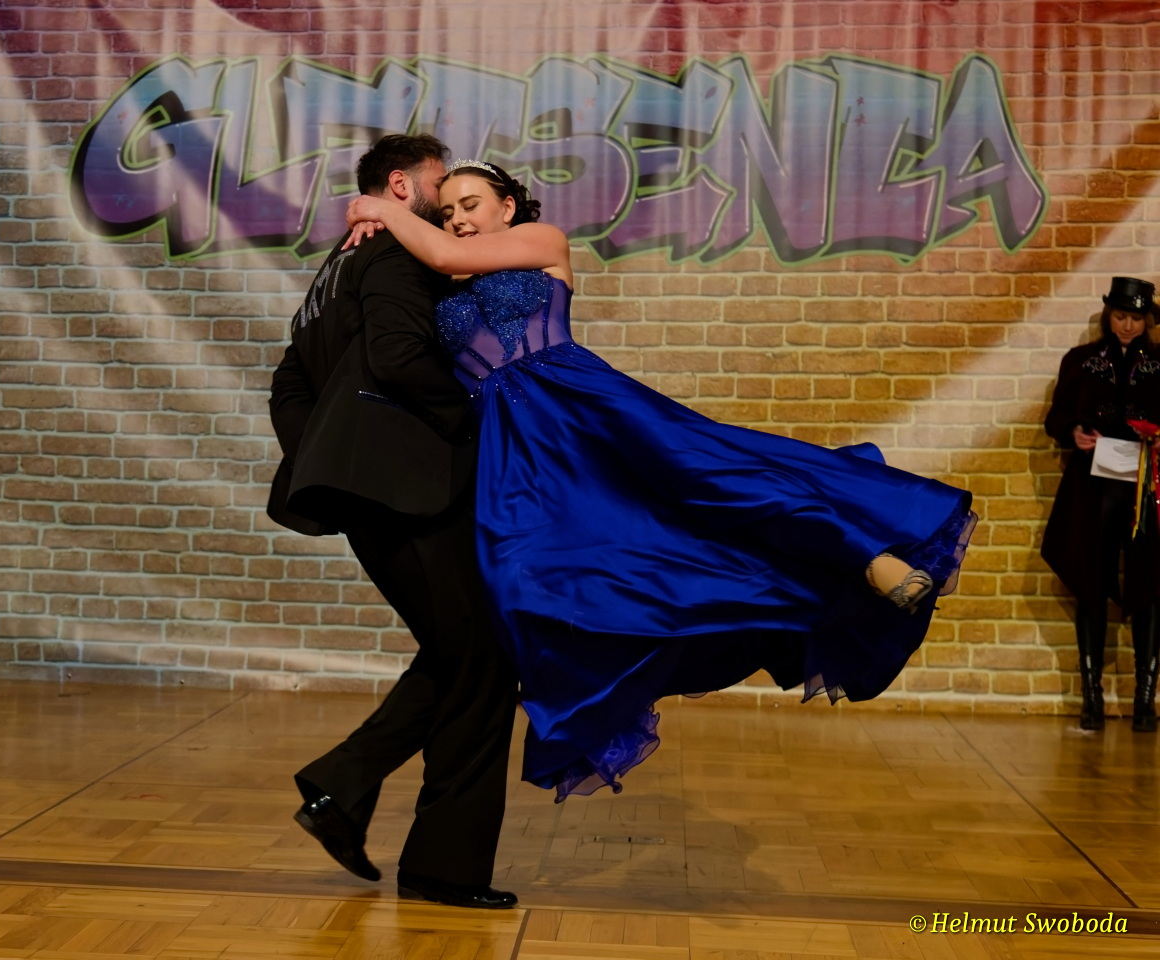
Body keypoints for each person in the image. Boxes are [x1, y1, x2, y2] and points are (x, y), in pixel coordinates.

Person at [344, 160, 976, 800]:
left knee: (715, 478)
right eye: (447, 210)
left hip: (583, 406)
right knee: (521, 581)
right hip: (516, 452)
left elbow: (443, 252)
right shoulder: (443, 279)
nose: (457, 219)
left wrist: (378, 208)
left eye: (471, 204)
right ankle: (596, 697)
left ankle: (867, 555)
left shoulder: (541, 241)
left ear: (507, 208)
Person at [267, 135, 518, 909]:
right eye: (441, 188)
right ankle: (434, 862)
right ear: (403, 187)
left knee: (464, 656)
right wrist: (483, 428)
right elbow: (403, 357)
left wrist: (330, 461)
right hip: (410, 491)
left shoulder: (338, 266)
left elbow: (288, 385)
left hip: (370, 490)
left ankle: (345, 788)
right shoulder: (395, 252)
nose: (448, 205)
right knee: (483, 663)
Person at [1042, 276, 1160, 733]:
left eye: (1136, 318)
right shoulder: (1080, 361)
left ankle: (1145, 698)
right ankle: (1091, 695)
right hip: (1092, 488)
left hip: (1146, 488)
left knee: (1150, 586)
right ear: (1109, 315)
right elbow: (1056, 416)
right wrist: (1073, 431)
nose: (1127, 325)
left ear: (1147, 320)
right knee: (1091, 583)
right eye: (1120, 316)